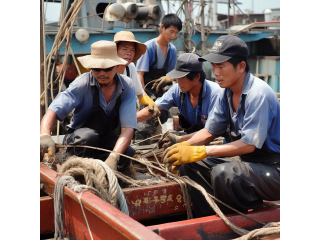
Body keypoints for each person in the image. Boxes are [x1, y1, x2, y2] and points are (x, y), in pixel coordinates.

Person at [163, 35, 280, 218]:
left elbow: (249, 145)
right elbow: (210, 131)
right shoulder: (225, 93)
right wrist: (185, 146)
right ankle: (209, 218)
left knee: (225, 173)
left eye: (221, 66)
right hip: (250, 164)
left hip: (273, 170)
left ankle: (241, 219)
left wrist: (204, 151)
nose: (215, 72)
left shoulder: (258, 94)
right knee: (188, 165)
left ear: (241, 66)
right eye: (213, 66)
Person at [40, 41, 138, 176]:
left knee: (128, 152)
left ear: (117, 66)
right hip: (80, 142)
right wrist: (45, 135)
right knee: (89, 136)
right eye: (97, 69)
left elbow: (128, 129)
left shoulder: (126, 86)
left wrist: (114, 157)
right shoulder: (81, 84)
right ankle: (79, 174)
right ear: (90, 68)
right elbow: (53, 110)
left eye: (107, 68)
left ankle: (109, 178)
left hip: (105, 140)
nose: (102, 73)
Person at [137, 53, 221, 149]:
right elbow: (152, 109)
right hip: (190, 142)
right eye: (177, 77)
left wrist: (178, 140)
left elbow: (211, 132)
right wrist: (128, 121)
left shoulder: (216, 94)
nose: (178, 81)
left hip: (215, 144)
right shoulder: (177, 90)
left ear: (197, 77)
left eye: (182, 77)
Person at [136, 13, 182, 125]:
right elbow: (139, 75)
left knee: (163, 117)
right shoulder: (149, 47)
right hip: (146, 92)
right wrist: (144, 99)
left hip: (161, 92)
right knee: (146, 122)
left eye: (176, 33)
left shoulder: (172, 50)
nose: (174, 35)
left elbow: (173, 74)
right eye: (171, 31)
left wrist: (169, 78)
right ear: (162, 27)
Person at [114, 31, 160, 119]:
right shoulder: (108, 69)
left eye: (132, 50)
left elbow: (140, 92)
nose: (129, 53)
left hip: (125, 116)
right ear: (115, 50)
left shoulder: (130, 67)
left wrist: (148, 102)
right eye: (124, 49)